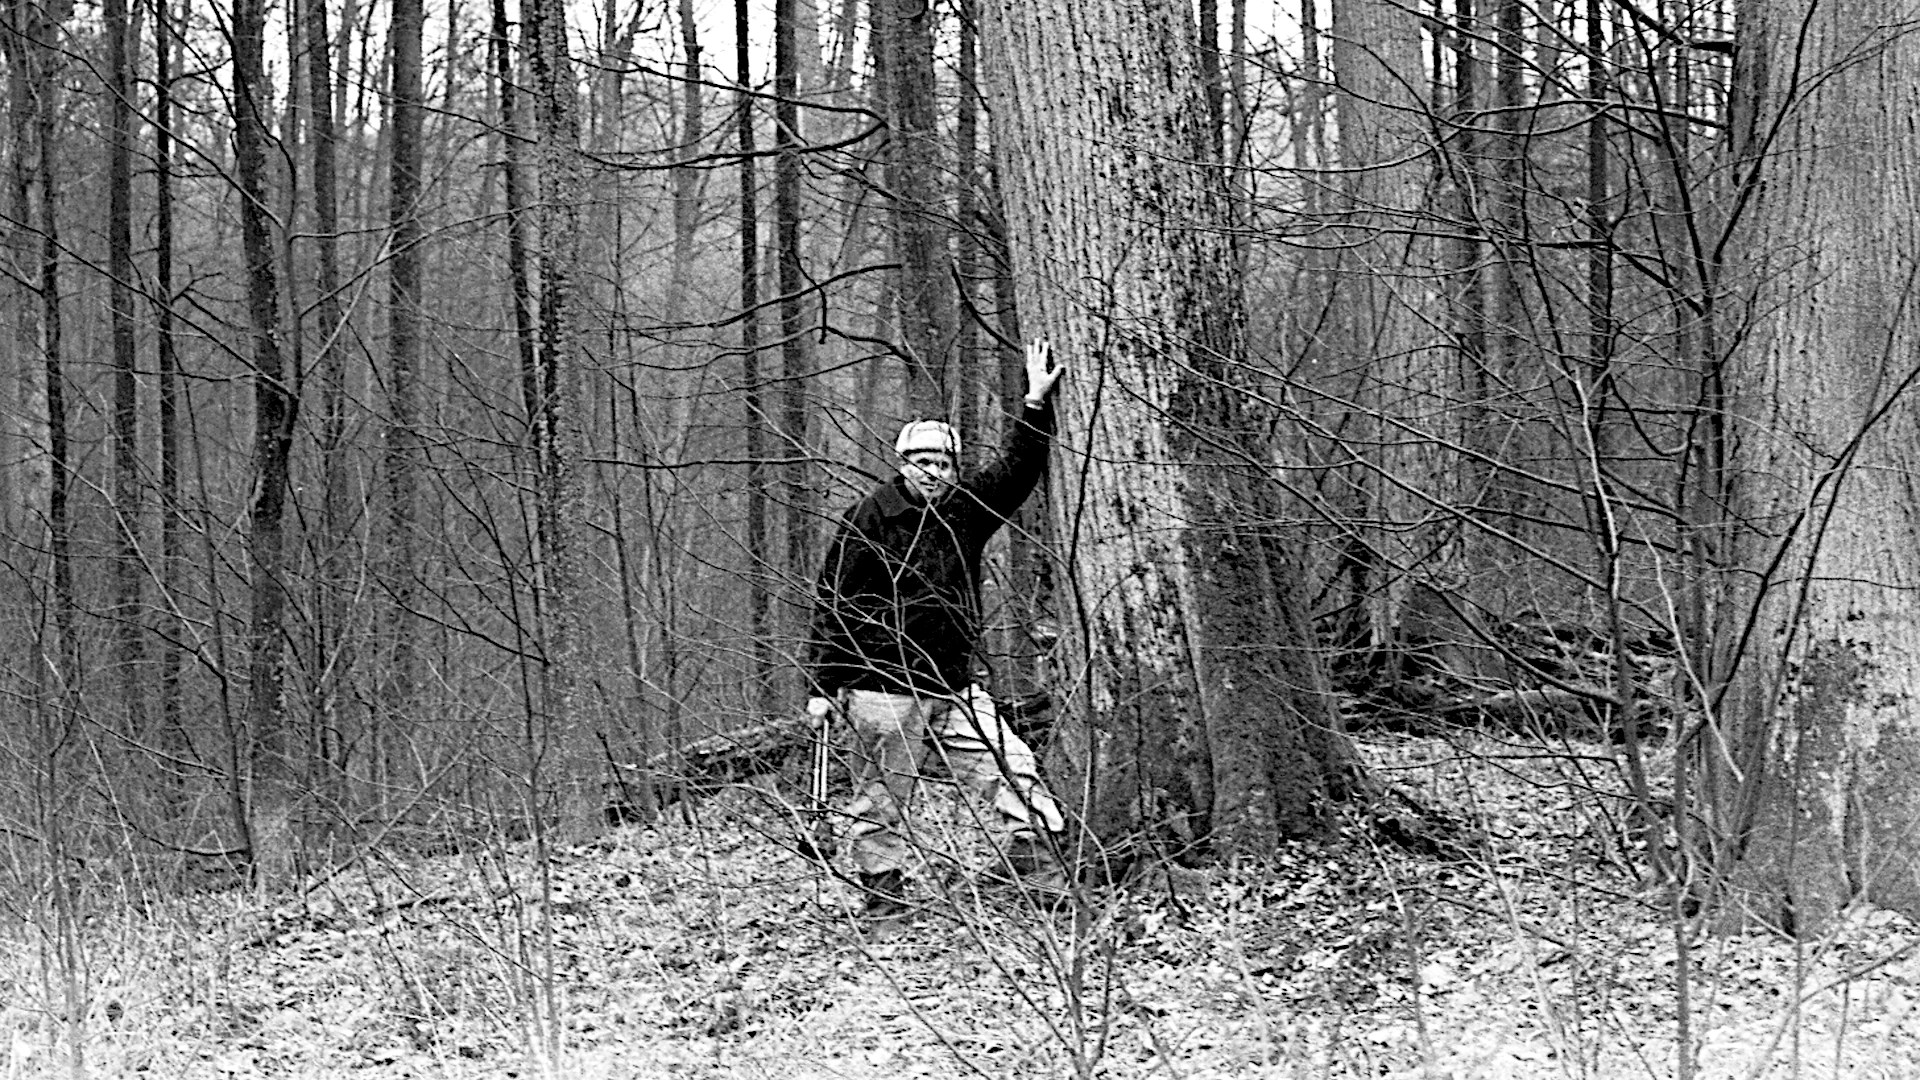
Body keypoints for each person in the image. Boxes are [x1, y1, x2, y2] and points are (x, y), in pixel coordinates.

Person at [806, 339, 1069, 917]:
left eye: (944, 463)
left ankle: (1040, 865)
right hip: (882, 686)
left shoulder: (963, 511)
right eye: (923, 461)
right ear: (903, 462)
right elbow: (833, 601)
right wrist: (822, 688)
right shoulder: (869, 518)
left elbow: (1017, 470)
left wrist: (1034, 403)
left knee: (1010, 765)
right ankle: (883, 896)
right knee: (884, 797)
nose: (933, 472)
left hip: (952, 682)